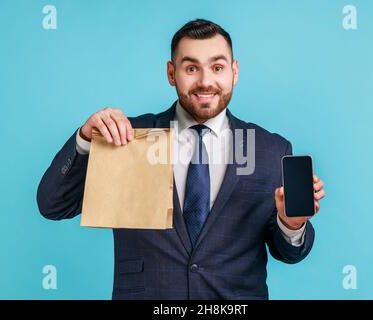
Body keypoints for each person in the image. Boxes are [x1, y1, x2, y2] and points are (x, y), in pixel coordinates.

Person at [37, 19, 326, 300]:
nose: (205, 81)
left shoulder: (269, 149)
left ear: (234, 72)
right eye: (191, 68)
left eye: (217, 67)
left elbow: (289, 253)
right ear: (171, 73)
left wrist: (291, 224)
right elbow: (53, 205)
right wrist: (86, 140)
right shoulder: (127, 138)